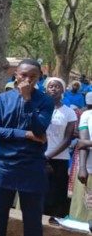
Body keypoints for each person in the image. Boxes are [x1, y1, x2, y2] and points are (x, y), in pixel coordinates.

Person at [0, 59, 54, 236]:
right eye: (24, 75)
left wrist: (27, 99)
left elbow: (39, 129)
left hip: (32, 166)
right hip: (4, 166)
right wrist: (24, 134)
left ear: (39, 78)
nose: (28, 80)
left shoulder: (46, 101)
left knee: (32, 223)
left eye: (33, 76)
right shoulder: (2, 99)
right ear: (16, 74)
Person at [43, 77, 77, 217]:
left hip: (58, 160)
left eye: (57, 86)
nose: (54, 88)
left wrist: (47, 157)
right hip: (37, 157)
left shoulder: (69, 112)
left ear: (63, 90)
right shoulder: (39, 108)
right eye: (51, 86)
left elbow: (68, 139)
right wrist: (42, 157)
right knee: (37, 195)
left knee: (55, 198)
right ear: (46, 89)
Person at [70, 92, 92, 222]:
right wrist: (82, 167)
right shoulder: (87, 115)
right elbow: (82, 142)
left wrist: (87, 143)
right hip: (89, 169)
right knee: (81, 212)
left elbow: (85, 142)